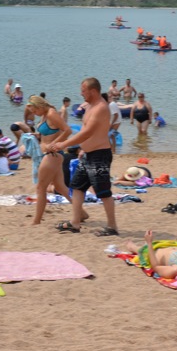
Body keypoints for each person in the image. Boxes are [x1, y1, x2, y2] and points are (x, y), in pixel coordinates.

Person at [47, 77, 118, 236]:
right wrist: (82, 149)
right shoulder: (90, 105)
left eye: (83, 91)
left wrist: (64, 144)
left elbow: (88, 133)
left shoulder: (101, 108)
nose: (81, 93)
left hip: (100, 155)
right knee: (77, 186)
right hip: (87, 155)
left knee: (103, 191)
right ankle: (75, 223)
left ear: (93, 91)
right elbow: (85, 130)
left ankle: (112, 227)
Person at [27, 95, 71, 225]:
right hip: (51, 154)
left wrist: (53, 144)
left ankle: (36, 220)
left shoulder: (51, 114)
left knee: (41, 187)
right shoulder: (45, 114)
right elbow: (50, 132)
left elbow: (67, 130)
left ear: (40, 106)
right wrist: (37, 136)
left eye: (35, 110)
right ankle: (81, 212)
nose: (35, 113)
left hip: (53, 154)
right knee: (60, 187)